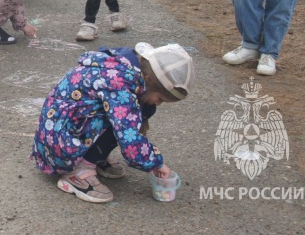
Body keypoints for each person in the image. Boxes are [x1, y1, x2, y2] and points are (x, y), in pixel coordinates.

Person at [30, 42, 194, 203]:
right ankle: (77, 172)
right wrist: (157, 163)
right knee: (126, 119)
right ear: (149, 79)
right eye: (160, 98)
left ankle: (94, 156)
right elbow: (129, 138)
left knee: (144, 109)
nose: (158, 103)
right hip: (58, 146)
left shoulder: (126, 65)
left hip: (61, 131)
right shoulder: (119, 84)